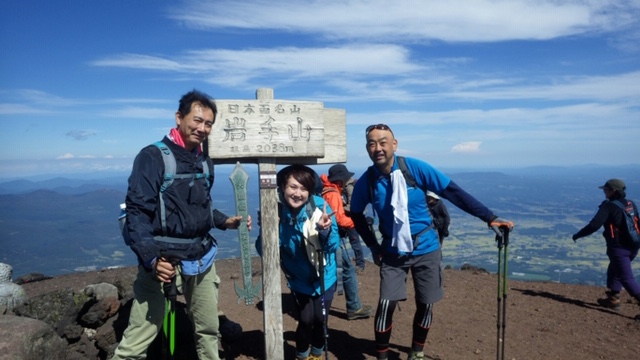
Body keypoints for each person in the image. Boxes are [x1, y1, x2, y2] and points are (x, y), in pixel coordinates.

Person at [349, 123, 514, 360]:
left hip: (426, 246)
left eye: (383, 142)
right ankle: (383, 357)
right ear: (367, 148)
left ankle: (416, 352)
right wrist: (373, 246)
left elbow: (453, 192)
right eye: (372, 143)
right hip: (393, 250)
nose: (378, 148)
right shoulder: (367, 181)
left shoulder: (415, 168)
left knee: (426, 303)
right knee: (386, 303)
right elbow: (355, 214)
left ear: (394, 144)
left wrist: (489, 217)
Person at [112, 90, 251, 360]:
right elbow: (137, 213)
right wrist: (152, 260)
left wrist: (225, 221)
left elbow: (201, 208)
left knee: (209, 331)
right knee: (137, 340)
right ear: (179, 117)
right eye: (197, 120)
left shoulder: (202, 160)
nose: (202, 128)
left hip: (202, 258)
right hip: (164, 261)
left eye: (208, 123)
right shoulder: (152, 157)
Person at [255, 165, 340, 360]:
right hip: (298, 277)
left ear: (310, 191)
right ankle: (302, 356)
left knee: (321, 318)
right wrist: (270, 228)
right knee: (306, 318)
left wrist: (325, 231)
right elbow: (263, 251)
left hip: (324, 274)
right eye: (293, 187)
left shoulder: (320, 208)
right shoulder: (274, 210)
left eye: (303, 189)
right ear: (282, 187)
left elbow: (331, 247)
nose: (298, 193)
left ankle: (316, 355)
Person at [572, 179, 640, 311]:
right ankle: (613, 299)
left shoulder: (608, 206)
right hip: (634, 245)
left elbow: (594, 225)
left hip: (618, 247)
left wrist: (578, 235)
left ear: (613, 190)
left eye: (606, 189)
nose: (604, 191)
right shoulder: (631, 204)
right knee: (615, 268)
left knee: (626, 278)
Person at [320, 164, 373, 320]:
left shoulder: (326, 190)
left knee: (342, 269)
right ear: (340, 180)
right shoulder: (333, 194)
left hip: (327, 236)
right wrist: (359, 222)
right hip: (332, 238)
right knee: (348, 270)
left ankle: (352, 306)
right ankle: (354, 308)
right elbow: (339, 219)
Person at [343, 176, 367, 272]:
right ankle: (360, 263)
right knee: (355, 241)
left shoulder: (349, 187)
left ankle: (360, 264)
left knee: (355, 241)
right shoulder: (350, 185)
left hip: (351, 218)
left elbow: (352, 206)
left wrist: (340, 208)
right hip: (351, 218)